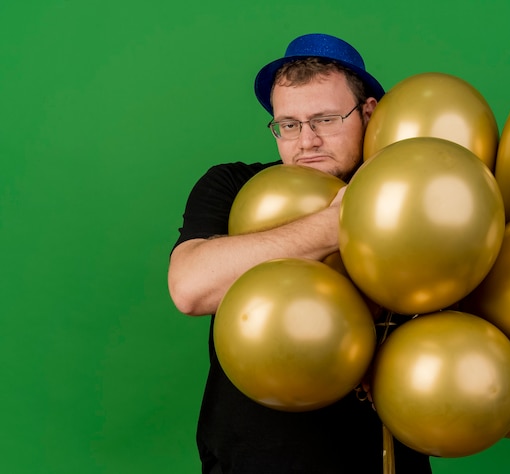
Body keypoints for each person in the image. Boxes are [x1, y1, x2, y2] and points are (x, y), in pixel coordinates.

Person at [168, 33, 432, 474]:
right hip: (252, 462)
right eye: (288, 124)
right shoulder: (232, 186)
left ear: (368, 113)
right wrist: (334, 226)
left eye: (326, 119)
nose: (306, 141)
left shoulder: (411, 199)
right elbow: (190, 289)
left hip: (384, 459)